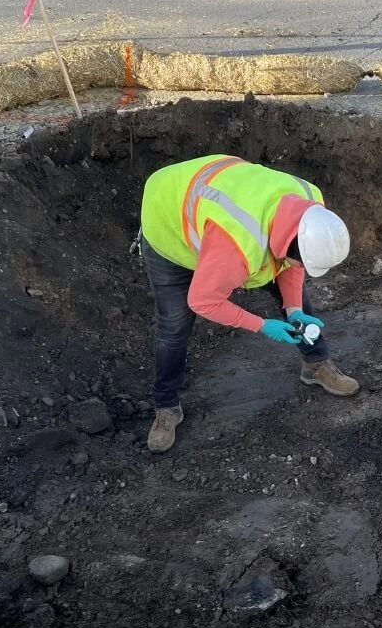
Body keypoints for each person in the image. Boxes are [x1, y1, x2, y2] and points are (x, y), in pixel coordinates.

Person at [138, 154, 360, 453]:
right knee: (174, 325)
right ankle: (167, 406)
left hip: (216, 207)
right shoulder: (238, 245)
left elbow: (292, 265)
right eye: (303, 260)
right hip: (168, 219)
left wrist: (294, 310)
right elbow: (203, 301)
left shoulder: (310, 205)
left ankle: (315, 364)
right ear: (289, 244)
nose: (303, 267)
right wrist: (262, 325)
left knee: (299, 300)